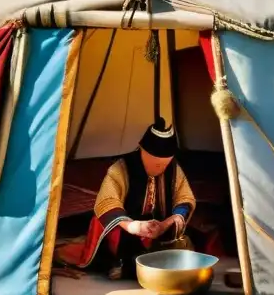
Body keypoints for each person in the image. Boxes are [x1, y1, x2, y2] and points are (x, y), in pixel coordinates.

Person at [75, 118, 196, 280]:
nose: (159, 167)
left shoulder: (174, 169)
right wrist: (132, 226)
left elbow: (185, 198)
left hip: (159, 224)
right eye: (154, 161)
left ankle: (151, 260)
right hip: (127, 224)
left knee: (183, 237)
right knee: (104, 222)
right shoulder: (121, 167)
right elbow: (107, 201)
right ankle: (117, 261)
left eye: (164, 163)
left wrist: (166, 224)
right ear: (141, 150)